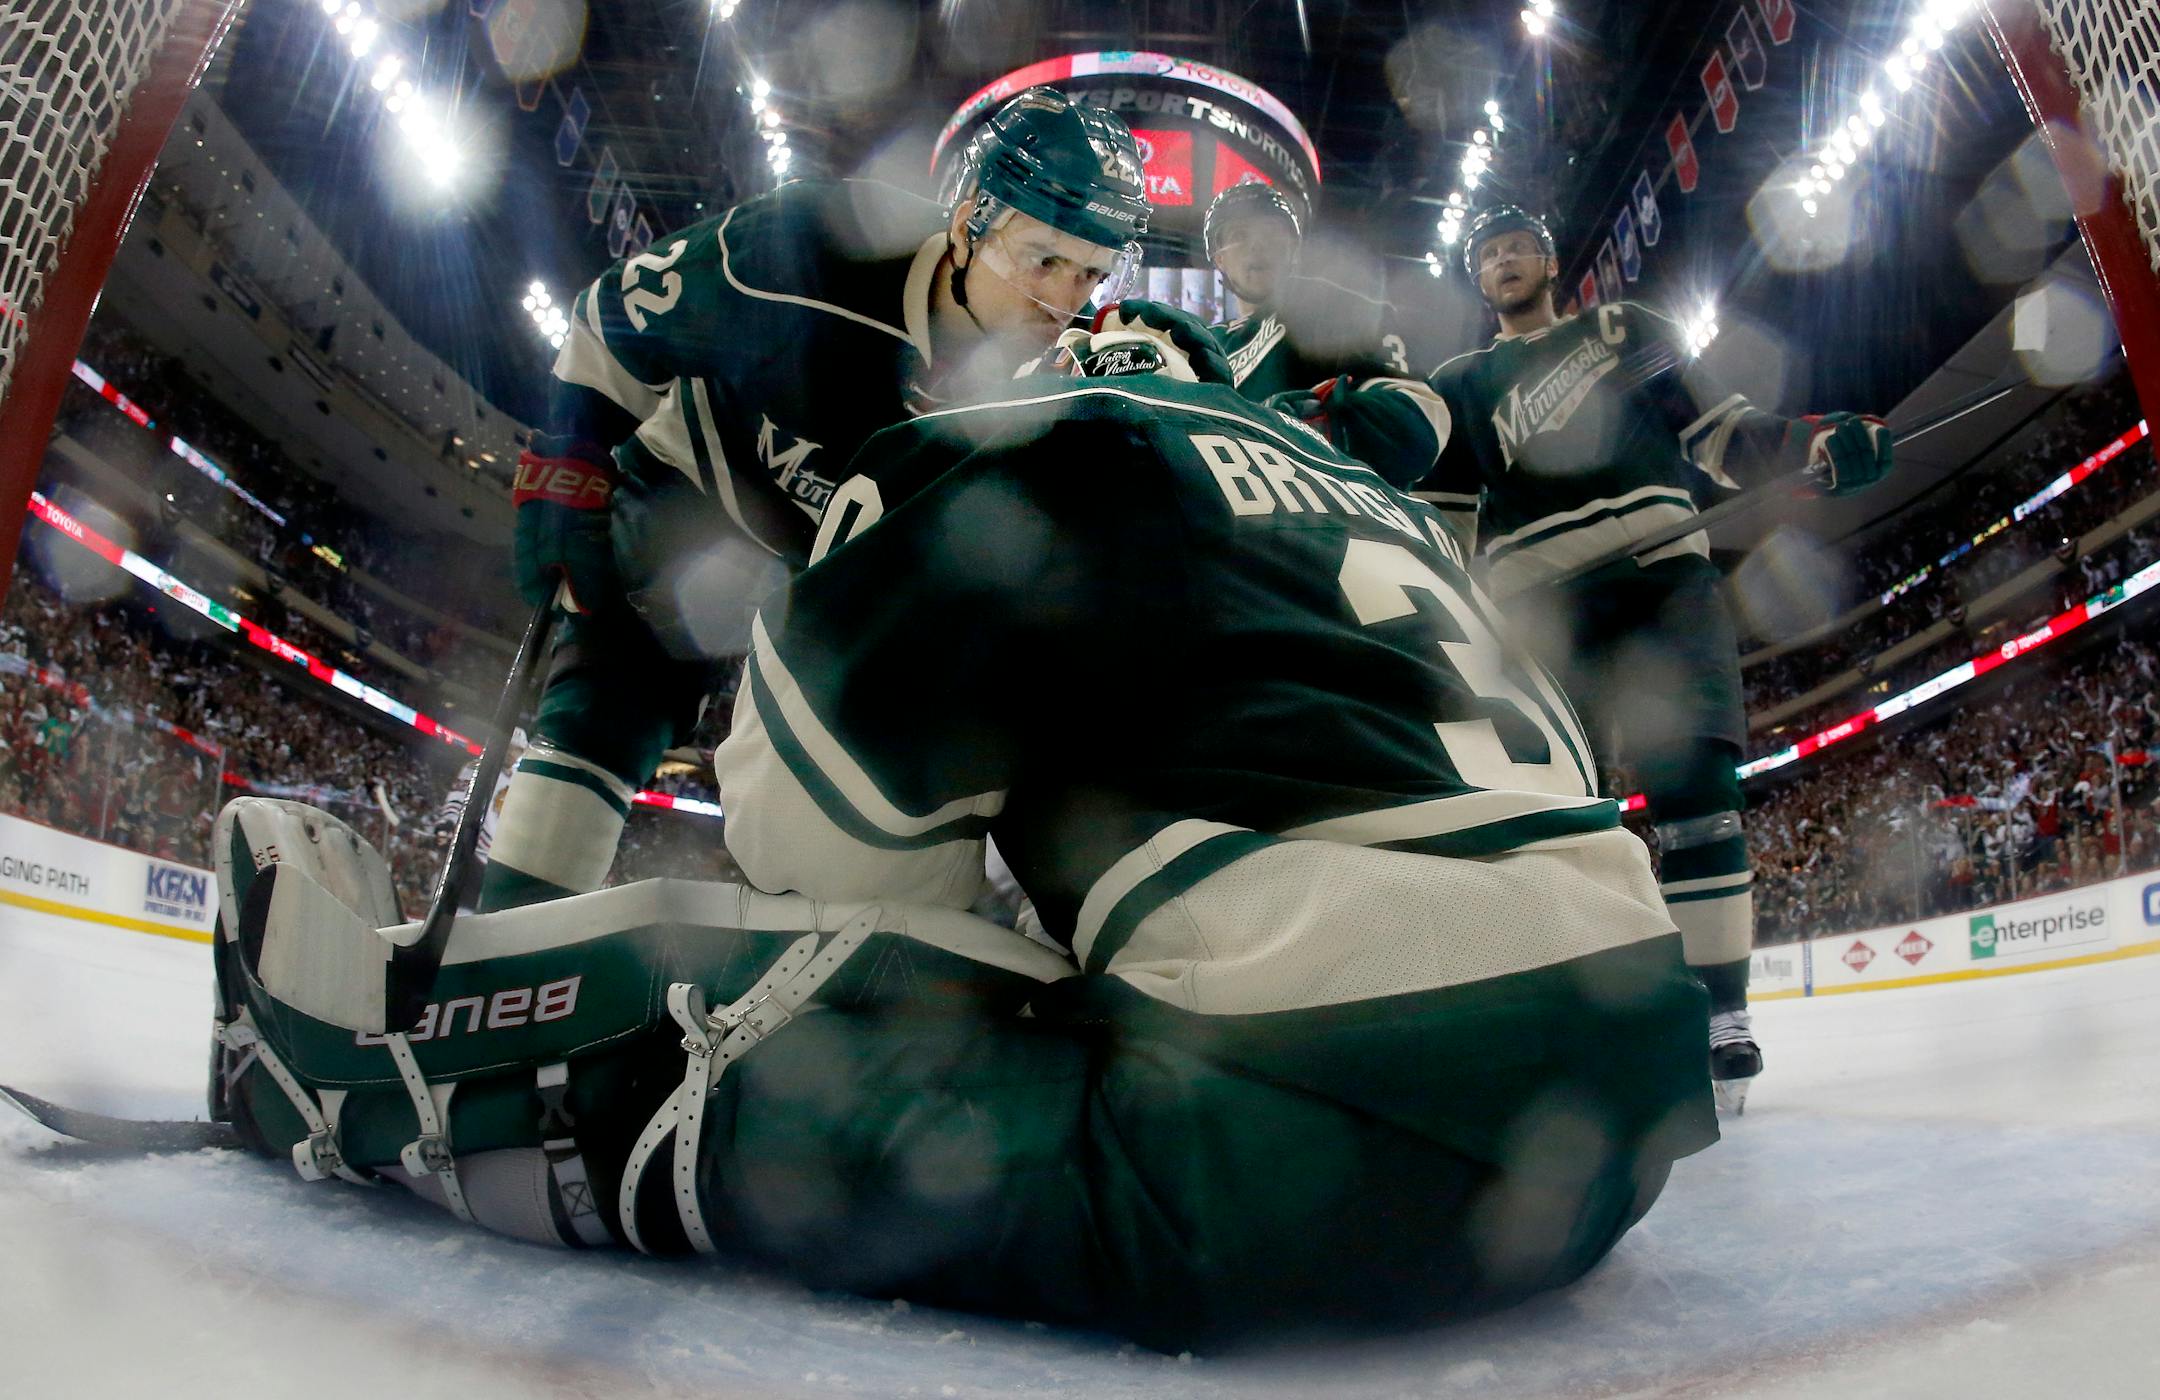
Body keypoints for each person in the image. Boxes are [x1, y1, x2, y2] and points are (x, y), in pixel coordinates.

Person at [205, 305, 1716, 1352]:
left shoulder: (1023, 441)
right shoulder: (1390, 513)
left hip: (1298, 1154)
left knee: (792, 1001)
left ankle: (323, 1056)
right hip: (1622, 1118)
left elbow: (824, 858)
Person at [479, 87, 1152, 912]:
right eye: (1041, 258)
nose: (1061, 302)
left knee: (853, 801)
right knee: (604, 705)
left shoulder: (1062, 385)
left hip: (836, 593)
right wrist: (567, 466)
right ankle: (505, 946)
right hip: (697, 506)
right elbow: (611, 324)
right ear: (971, 218)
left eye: (1089, 272)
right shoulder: (811, 247)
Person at [1416, 205, 1896, 1112]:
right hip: (1542, 613)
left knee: (1700, 796)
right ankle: (1576, 1022)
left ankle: (1721, 1019)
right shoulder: (1462, 383)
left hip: (1663, 584)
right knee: (1555, 816)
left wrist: (1823, 443)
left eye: (1517, 245)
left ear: (1550, 258)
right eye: (1486, 255)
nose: (1503, 261)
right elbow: (1446, 524)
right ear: (1477, 279)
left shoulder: (1625, 329)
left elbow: (1722, 434)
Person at [1201, 180, 1447, 489]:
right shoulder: (1201, 346)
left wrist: (1314, 426)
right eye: (1239, 235)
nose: (1257, 246)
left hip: (1324, 523)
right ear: (1218, 258)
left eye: (1271, 232)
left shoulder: (1334, 307)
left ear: (1294, 248)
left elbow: (1421, 422)